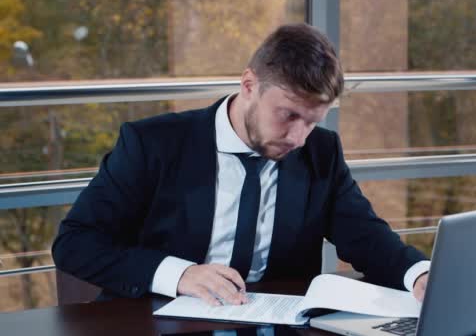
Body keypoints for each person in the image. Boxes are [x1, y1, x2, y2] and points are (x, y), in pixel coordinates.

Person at [52, 23, 429, 307]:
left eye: (313, 121)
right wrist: (179, 274)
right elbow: (76, 242)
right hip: (156, 318)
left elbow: (366, 237)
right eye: (288, 115)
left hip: (273, 321)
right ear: (249, 85)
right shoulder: (154, 145)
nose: (298, 138)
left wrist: (420, 275)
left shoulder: (321, 151)